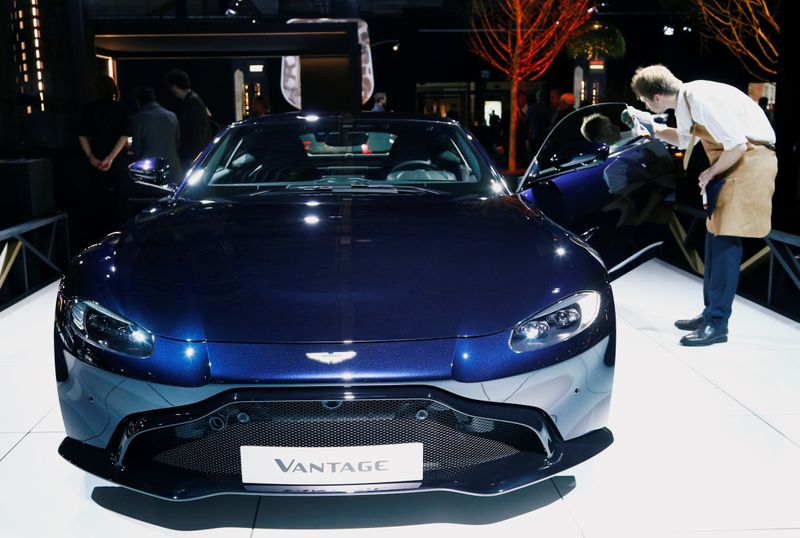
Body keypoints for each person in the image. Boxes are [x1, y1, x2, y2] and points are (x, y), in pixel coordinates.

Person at [628, 64, 776, 346]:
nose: (645, 104)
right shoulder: (687, 102)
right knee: (714, 237)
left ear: (657, 96)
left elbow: (737, 145)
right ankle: (711, 313)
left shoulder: (700, 99)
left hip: (751, 161)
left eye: (645, 101)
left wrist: (710, 173)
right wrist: (652, 128)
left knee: (725, 241)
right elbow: (683, 138)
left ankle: (718, 323)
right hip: (736, 161)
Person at [77, 73, 130, 246]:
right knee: (120, 200)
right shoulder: (121, 108)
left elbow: (82, 136)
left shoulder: (89, 109)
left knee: (99, 200)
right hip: (117, 160)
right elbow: (124, 136)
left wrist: (92, 156)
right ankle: (119, 238)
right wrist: (111, 158)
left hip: (96, 160)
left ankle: (99, 240)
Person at [131, 85, 182, 182]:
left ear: (137, 101)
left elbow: (136, 149)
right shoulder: (172, 116)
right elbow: (177, 142)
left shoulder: (138, 119)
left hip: (150, 172)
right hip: (174, 170)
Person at [165, 69, 212, 170]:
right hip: (192, 154)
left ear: (175, 86)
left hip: (193, 156)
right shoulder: (192, 101)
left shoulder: (193, 103)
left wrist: (193, 156)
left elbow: (198, 132)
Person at [528, 88, 553, 156]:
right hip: (544, 137)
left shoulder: (530, 108)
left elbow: (528, 122)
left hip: (533, 136)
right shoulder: (549, 109)